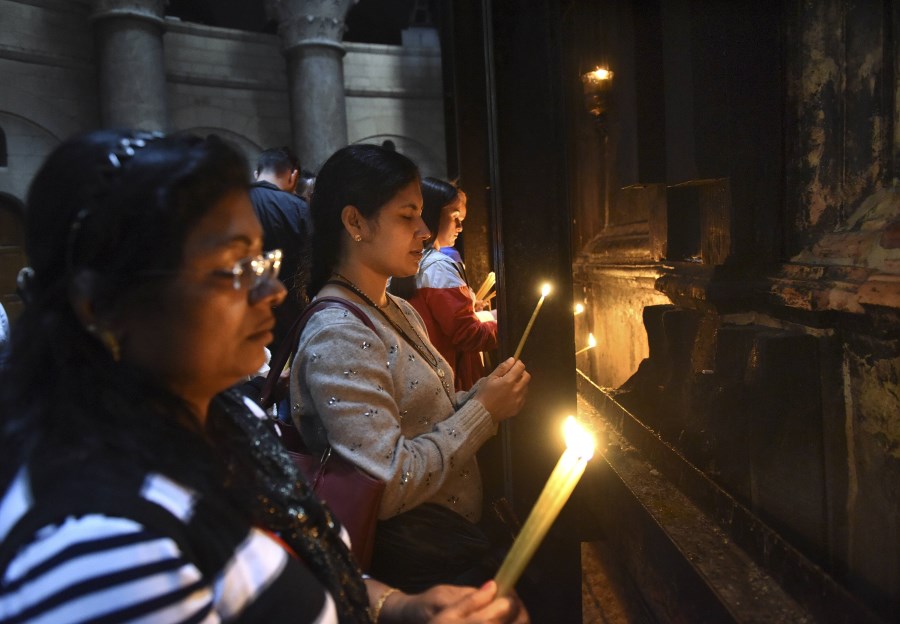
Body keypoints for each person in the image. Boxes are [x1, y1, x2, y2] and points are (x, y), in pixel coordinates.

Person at [0, 130, 527, 623]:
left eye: (261, 262)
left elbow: (290, 563)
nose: (272, 292)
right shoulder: (104, 549)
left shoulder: (228, 417)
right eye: (230, 268)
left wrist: (398, 605)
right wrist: (482, 412)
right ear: (103, 305)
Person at [290, 144, 531, 593]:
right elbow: (387, 483)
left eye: (422, 215)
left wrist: (475, 397)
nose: (424, 231)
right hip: (413, 572)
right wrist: (484, 414)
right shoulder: (338, 333)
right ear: (355, 222)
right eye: (407, 216)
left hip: (447, 545)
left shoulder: (395, 306)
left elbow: (419, 418)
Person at [393, 178, 497, 391]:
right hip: (449, 379)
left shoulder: (404, 260)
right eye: (455, 217)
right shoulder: (438, 266)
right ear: (431, 214)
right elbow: (469, 335)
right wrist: (503, 322)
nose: (460, 227)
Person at [250, 146, 312, 354]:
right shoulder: (299, 208)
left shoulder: (234, 204)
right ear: (293, 175)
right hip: (291, 314)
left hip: (245, 312)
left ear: (256, 173)